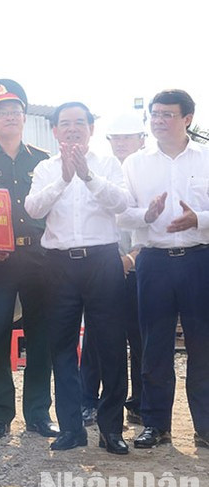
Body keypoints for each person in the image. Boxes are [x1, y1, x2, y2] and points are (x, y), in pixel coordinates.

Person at [25, 102, 131, 454]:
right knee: (62, 348)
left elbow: (121, 203)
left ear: (90, 129)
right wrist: (65, 179)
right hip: (58, 266)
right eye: (65, 124)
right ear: (54, 131)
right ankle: (71, 428)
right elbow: (34, 208)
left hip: (102, 261)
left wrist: (87, 176)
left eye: (79, 123)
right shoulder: (44, 168)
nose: (72, 129)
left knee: (112, 346)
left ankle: (111, 429)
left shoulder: (108, 164)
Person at [0, 79, 57, 439]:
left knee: (41, 337)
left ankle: (37, 413)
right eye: (1, 112)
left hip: (39, 258)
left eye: (15, 111)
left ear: (24, 117)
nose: (10, 118)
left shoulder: (44, 160)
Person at [117, 89, 209, 450]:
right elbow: (122, 213)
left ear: (187, 118)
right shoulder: (136, 164)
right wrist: (147, 215)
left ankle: (205, 426)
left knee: (203, 346)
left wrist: (197, 219)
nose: (159, 121)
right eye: (155, 114)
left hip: (199, 259)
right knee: (153, 346)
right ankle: (155, 424)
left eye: (167, 115)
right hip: (153, 262)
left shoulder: (205, 158)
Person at [80, 112, 147, 426]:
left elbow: (155, 223)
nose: (121, 144)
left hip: (139, 270)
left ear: (141, 140)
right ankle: (88, 402)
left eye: (127, 138)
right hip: (102, 267)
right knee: (95, 340)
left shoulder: (149, 174)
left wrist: (131, 258)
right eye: (116, 138)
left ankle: (139, 403)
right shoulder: (101, 169)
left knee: (139, 339)